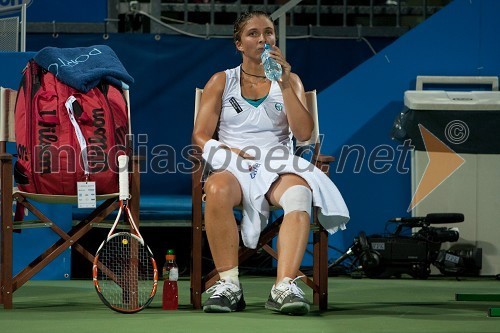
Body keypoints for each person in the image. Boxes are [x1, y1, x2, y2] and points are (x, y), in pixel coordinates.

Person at [192, 11, 350, 315]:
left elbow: (305, 134)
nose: (263, 39)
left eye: (268, 32)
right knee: (216, 188)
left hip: (277, 163)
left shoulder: (291, 81)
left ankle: (283, 287)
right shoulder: (221, 81)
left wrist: (286, 84)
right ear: (238, 43)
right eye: (253, 33)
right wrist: (228, 153)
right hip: (233, 165)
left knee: (300, 193)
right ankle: (229, 285)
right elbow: (199, 136)